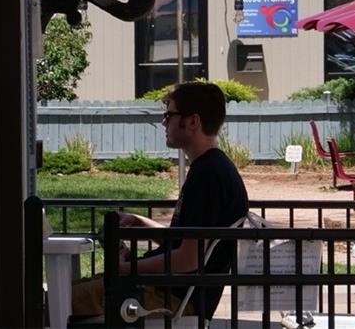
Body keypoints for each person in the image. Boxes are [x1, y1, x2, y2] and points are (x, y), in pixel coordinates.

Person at [70, 81, 249, 319]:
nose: (164, 122)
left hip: (172, 301)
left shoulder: (209, 174)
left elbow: (189, 258)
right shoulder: (212, 168)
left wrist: (126, 269)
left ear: (193, 122)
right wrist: (140, 223)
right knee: (70, 292)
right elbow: (183, 241)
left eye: (169, 115)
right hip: (166, 292)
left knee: (58, 302)